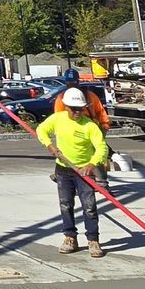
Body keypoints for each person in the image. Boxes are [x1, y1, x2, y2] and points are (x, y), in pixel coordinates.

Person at [37, 87, 110, 257]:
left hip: (84, 171)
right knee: (66, 205)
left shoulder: (90, 126)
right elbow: (41, 129)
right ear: (67, 107)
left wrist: (92, 164)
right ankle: (70, 237)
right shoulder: (58, 119)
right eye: (74, 109)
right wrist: (49, 145)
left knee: (89, 207)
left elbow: (101, 148)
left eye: (80, 109)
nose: (77, 112)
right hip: (63, 169)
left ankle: (93, 240)